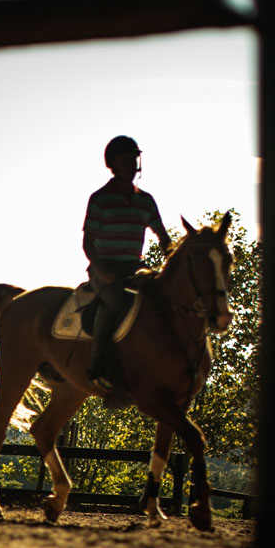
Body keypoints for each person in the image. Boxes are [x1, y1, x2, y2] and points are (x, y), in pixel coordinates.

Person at [82, 135, 172, 395]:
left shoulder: (147, 201)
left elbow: (163, 239)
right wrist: (100, 270)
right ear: (113, 164)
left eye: (134, 159)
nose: (131, 165)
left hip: (134, 269)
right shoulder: (99, 199)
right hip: (105, 269)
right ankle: (97, 369)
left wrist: (175, 264)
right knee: (115, 304)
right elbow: (88, 243)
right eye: (124, 161)